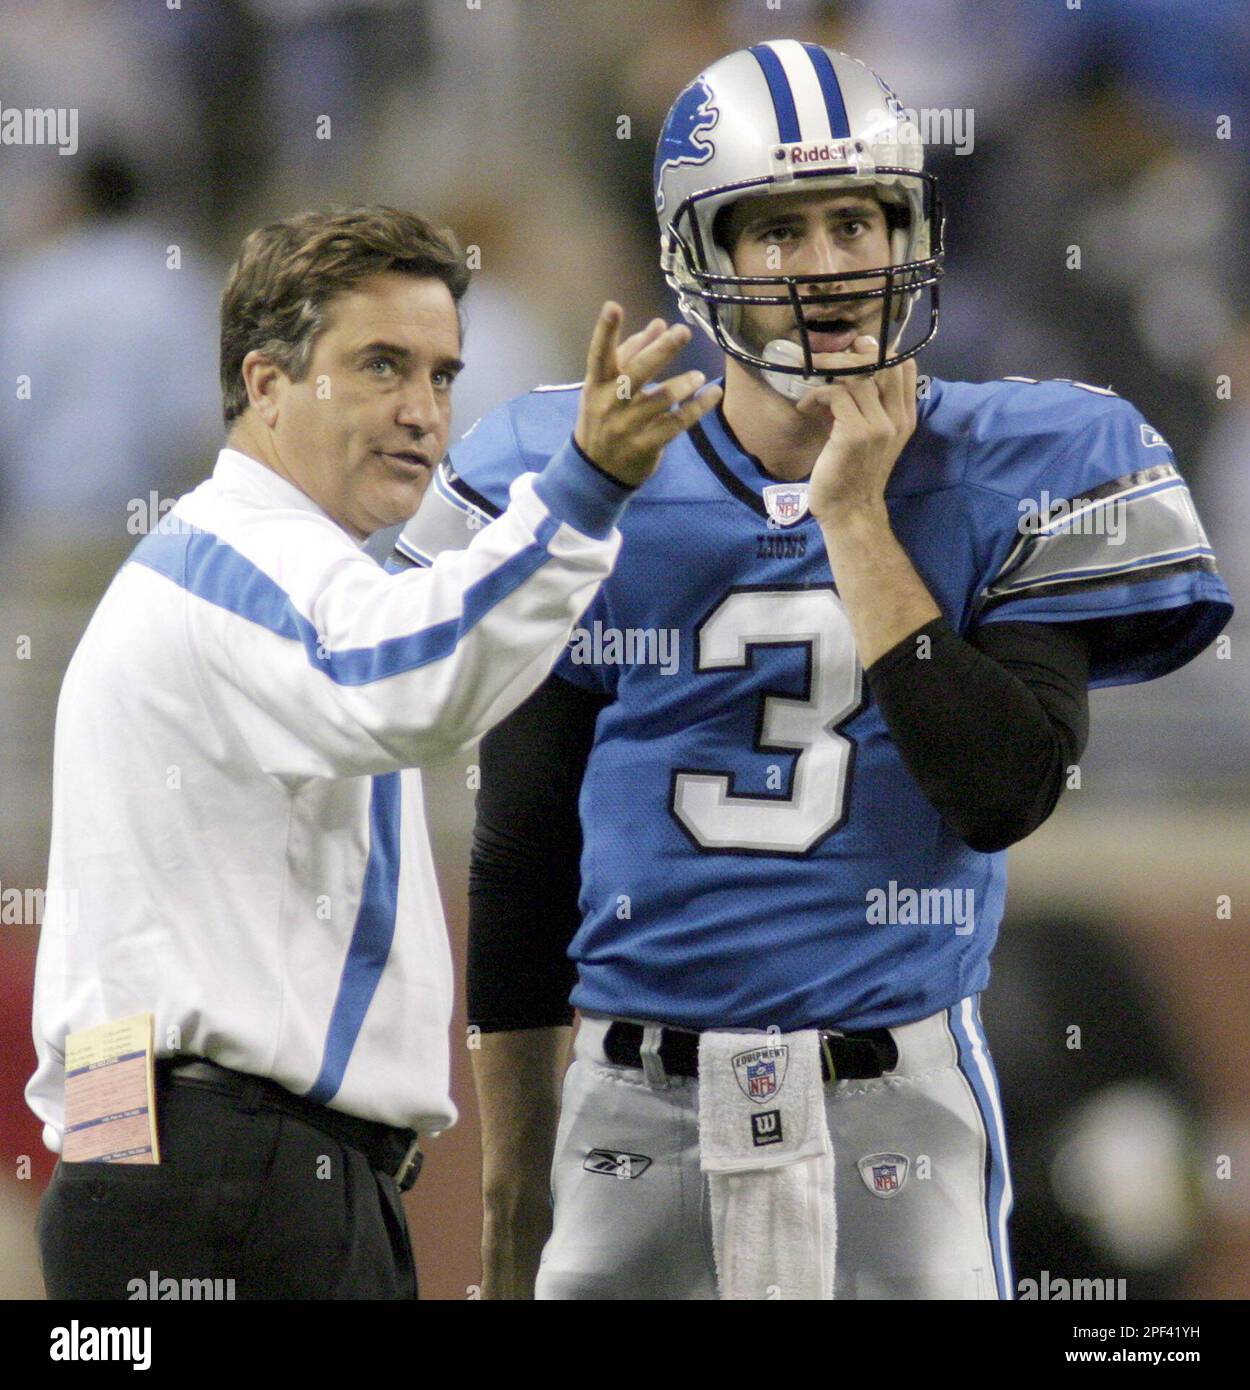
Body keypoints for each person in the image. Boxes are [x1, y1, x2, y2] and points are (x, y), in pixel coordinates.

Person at [393, 43, 1234, 1300]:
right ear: (698, 257)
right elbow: (522, 850)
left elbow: (1002, 787)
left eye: (858, 217)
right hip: (632, 1110)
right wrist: (514, 1177)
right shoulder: (577, 465)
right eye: (778, 229)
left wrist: (854, 520)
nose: (832, 261)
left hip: (892, 1103)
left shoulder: (1024, 456)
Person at [26, 205, 719, 1300]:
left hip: (180, 1165)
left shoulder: (213, 567)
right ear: (264, 385)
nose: (422, 413)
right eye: (380, 365)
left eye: (443, 376)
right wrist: (582, 487)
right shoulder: (251, 564)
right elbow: (411, 682)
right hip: (235, 1179)